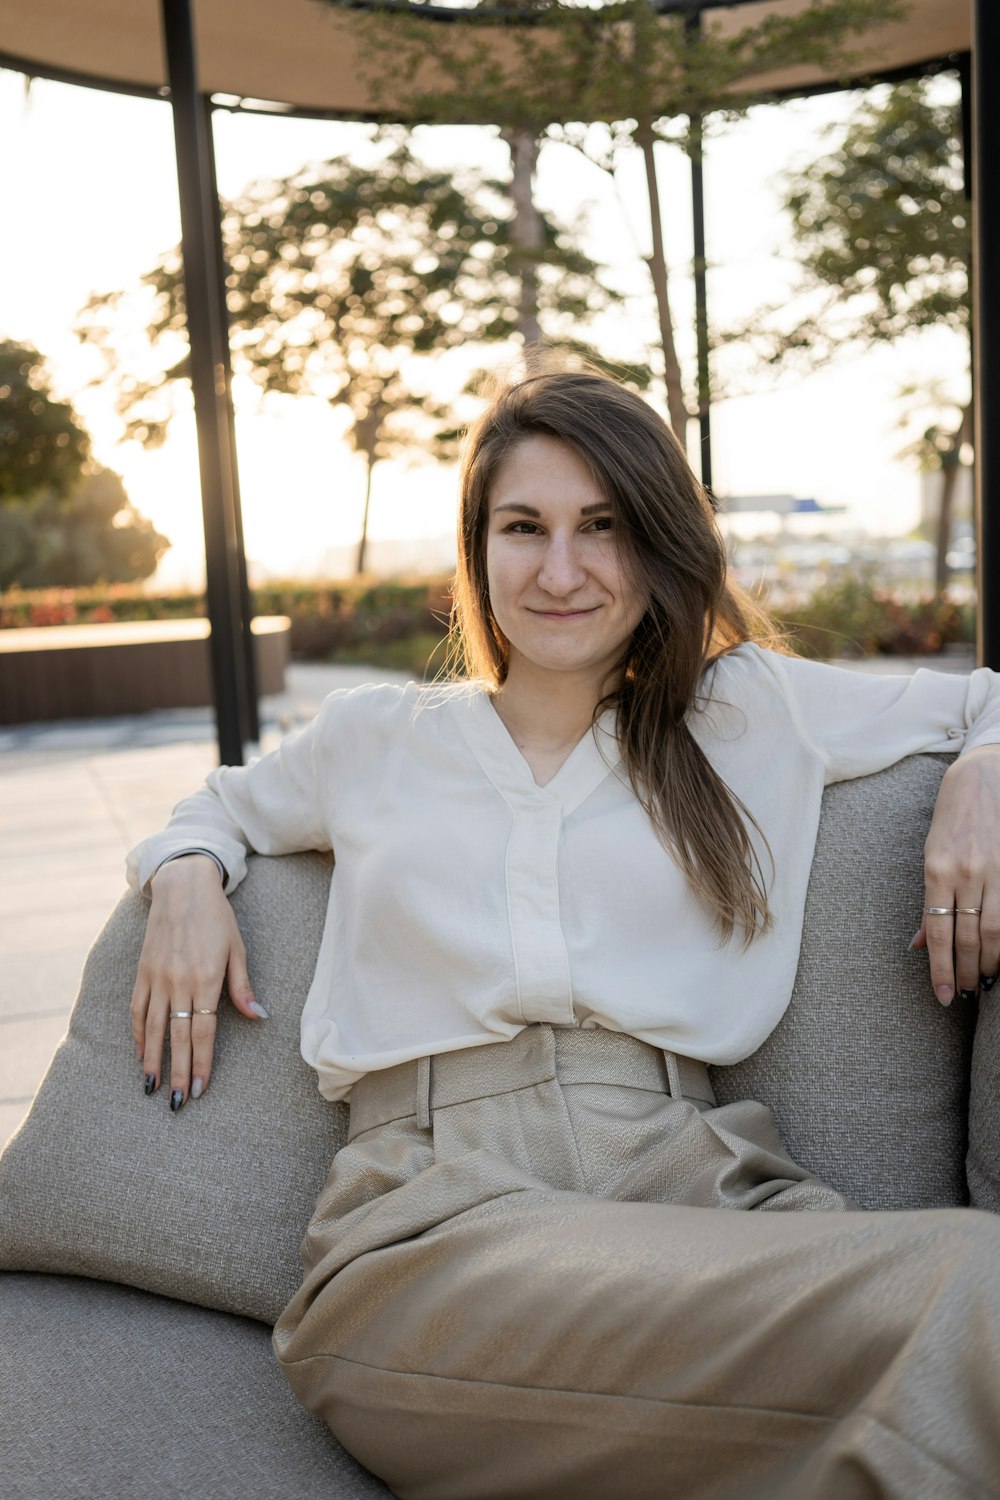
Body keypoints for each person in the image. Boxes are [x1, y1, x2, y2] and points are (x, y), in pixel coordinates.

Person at [128, 370, 1000, 1500]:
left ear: (657, 543)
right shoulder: (376, 738)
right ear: (477, 549)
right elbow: (214, 808)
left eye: (603, 527)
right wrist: (187, 875)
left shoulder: (744, 714)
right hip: (433, 1238)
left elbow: (984, 700)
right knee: (965, 1306)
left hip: (705, 1197)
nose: (559, 570)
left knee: (972, 1289)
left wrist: (982, 772)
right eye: (522, 528)